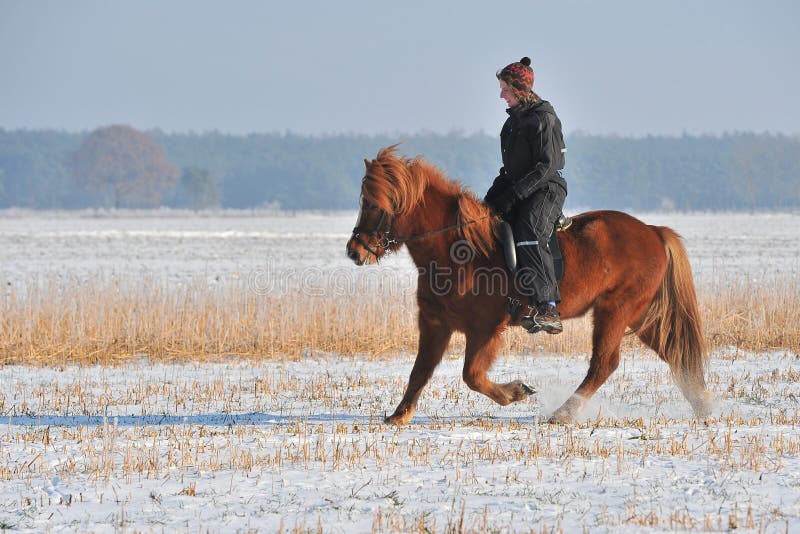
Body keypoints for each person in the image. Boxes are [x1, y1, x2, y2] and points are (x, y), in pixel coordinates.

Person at [484, 56, 568, 335]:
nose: (501, 95)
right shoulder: (510, 126)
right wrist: (488, 202)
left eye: (505, 89)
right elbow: (508, 171)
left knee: (529, 230)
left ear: (520, 90)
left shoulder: (544, 119)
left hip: (547, 189)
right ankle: (516, 299)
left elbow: (548, 166)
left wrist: (515, 195)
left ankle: (548, 307)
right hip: (521, 189)